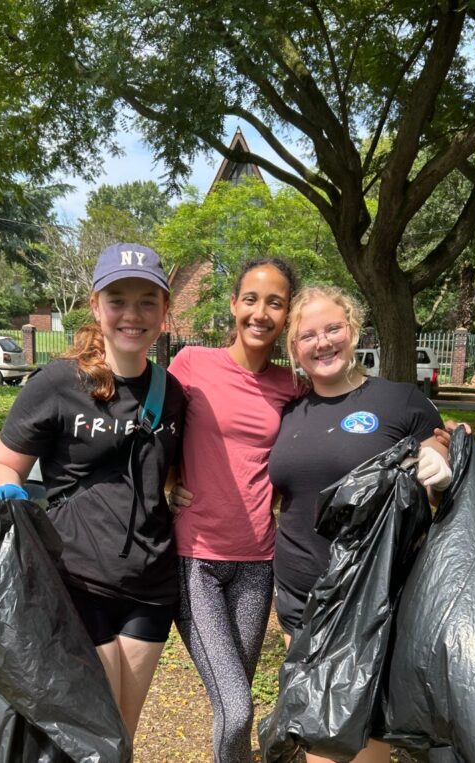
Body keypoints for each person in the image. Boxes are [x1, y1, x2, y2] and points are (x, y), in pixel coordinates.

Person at [0, 242, 185, 742]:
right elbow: (1, 463)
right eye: (118, 300)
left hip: (151, 586)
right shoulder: (57, 383)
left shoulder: (173, 392)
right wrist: (6, 489)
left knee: (122, 733)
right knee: (89, 732)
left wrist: (180, 489)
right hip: (75, 580)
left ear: (164, 311)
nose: (131, 315)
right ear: (95, 305)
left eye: (146, 301)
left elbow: (167, 468)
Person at [267, 285, 453, 763]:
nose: (323, 342)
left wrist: (437, 457)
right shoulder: (288, 414)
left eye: (333, 328)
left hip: (376, 600)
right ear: (294, 349)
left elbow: (439, 452)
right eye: (308, 335)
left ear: (353, 331)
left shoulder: (399, 401)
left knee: (356, 740)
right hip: (301, 597)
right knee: (320, 732)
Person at [167, 257, 301, 763]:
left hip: (257, 564)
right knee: (238, 707)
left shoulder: (292, 386)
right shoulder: (192, 364)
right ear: (233, 304)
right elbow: (152, 429)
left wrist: (432, 432)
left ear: (287, 315)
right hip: (196, 558)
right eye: (251, 299)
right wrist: (166, 480)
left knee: (234, 700)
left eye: (275, 302)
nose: (261, 312)